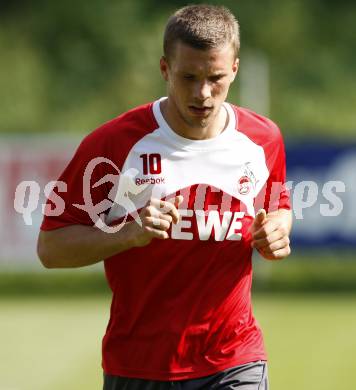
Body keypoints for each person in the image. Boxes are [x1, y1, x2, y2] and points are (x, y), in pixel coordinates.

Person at [38, 4, 292, 389]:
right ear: (164, 69)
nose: (202, 93)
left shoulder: (262, 139)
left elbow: (279, 209)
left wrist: (276, 230)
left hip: (233, 358)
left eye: (216, 78)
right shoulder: (115, 145)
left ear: (235, 69)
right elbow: (51, 248)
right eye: (188, 76)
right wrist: (127, 233)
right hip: (139, 364)